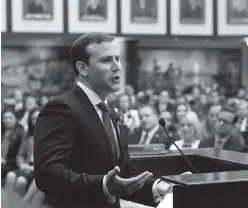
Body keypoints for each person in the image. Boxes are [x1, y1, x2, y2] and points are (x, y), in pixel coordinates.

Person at [34, 33, 171, 208]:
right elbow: (47, 174)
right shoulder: (62, 108)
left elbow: (124, 177)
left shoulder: (112, 113)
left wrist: (159, 187)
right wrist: (104, 184)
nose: (117, 67)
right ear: (83, 68)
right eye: (106, 60)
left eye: (117, 59)